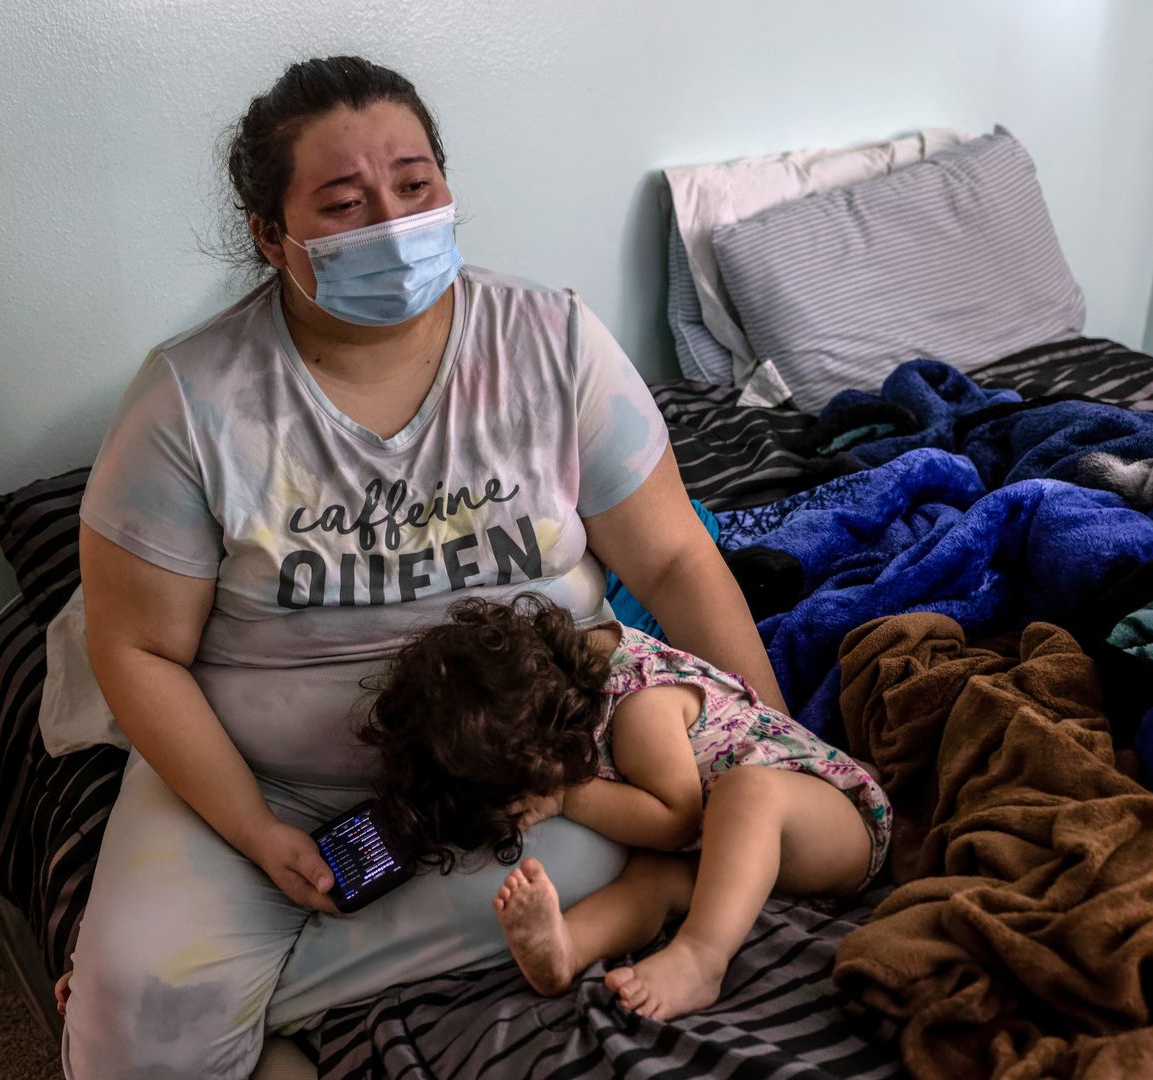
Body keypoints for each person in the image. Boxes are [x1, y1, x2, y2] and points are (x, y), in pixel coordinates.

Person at [60, 55, 788, 1077]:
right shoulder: (191, 400)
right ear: (273, 236)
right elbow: (133, 646)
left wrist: (768, 738)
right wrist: (258, 830)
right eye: (344, 203)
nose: (392, 223)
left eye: (413, 186)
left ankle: (229, 1004)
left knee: (602, 859)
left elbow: (670, 557)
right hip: (267, 779)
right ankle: (173, 988)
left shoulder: (555, 341)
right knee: (141, 1003)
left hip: (523, 781)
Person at [358, 595, 890, 1020]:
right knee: (649, 879)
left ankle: (702, 957)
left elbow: (677, 821)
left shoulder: (640, 708)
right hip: (732, 855)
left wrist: (569, 796)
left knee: (749, 790)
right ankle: (566, 950)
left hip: (835, 822)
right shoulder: (556, 683)